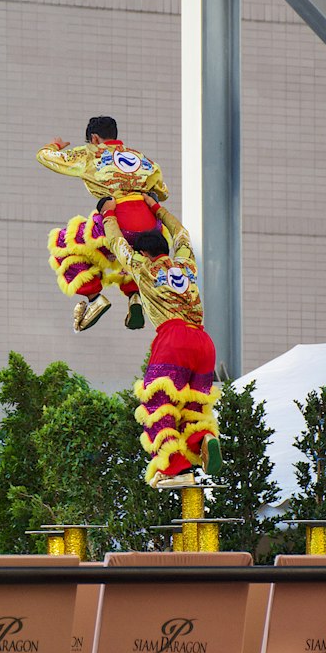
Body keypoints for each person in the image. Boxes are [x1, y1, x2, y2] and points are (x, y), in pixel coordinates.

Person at [100, 194, 222, 487]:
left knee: (158, 403)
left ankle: (174, 467)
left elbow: (117, 243)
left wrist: (108, 214)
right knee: (192, 407)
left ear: (144, 252)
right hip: (204, 342)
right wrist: (156, 207)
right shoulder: (186, 265)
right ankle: (202, 438)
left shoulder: (143, 267)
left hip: (173, 339)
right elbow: (181, 233)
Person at [37, 116, 170, 332]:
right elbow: (163, 192)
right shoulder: (140, 158)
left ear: (95, 138)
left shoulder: (90, 154)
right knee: (130, 254)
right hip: (151, 225)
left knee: (63, 243)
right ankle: (135, 296)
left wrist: (55, 146)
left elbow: (45, 157)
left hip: (118, 220)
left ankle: (94, 297)